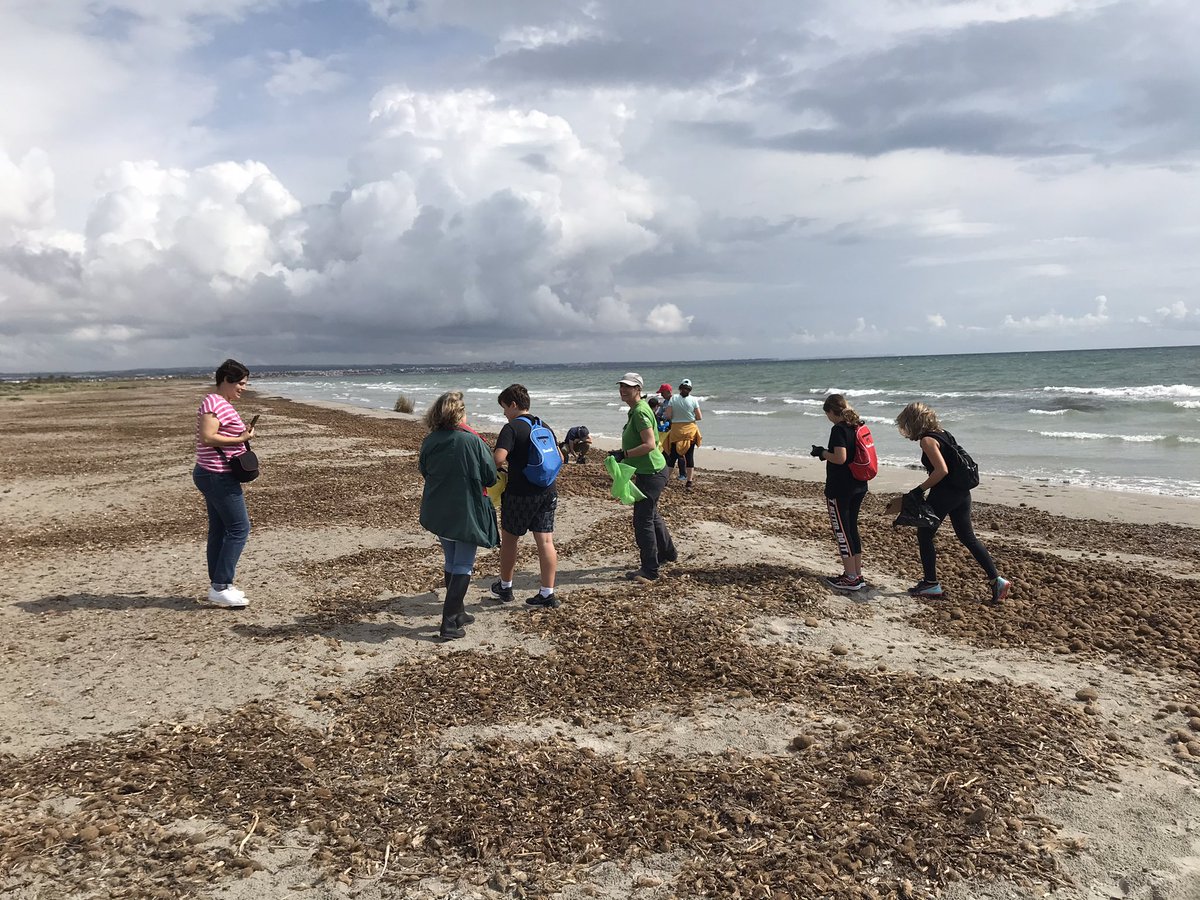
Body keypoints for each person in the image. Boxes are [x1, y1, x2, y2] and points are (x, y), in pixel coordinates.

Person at [895, 402, 1011, 605]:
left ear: (912, 422)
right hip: (962, 493)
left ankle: (931, 584)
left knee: (925, 534)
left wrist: (919, 490)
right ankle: (997, 580)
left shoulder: (927, 440)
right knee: (967, 537)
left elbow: (941, 471)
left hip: (945, 493)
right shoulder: (943, 433)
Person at [418, 391, 500, 640]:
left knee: (452, 561)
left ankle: (459, 612)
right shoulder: (473, 442)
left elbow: (424, 469)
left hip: (439, 508)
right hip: (465, 509)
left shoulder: (430, 440)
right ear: (460, 413)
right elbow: (490, 476)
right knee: (463, 564)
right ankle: (449, 622)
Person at [491, 384, 562, 608]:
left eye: (504, 407)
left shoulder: (511, 428)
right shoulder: (544, 425)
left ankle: (505, 587)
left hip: (520, 493)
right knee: (546, 541)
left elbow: (498, 459)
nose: (504, 413)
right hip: (548, 491)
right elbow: (560, 456)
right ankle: (547, 593)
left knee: (510, 540)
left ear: (513, 404)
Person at [193, 359, 256, 609]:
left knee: (220, 530)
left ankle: (221, 585)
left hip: (215, 474)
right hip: (215, 474)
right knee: (240, 529)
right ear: (226, 380)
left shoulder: (222, 403)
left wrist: (243, 434)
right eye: (240, 383)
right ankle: (220, 586)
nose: (243, 388)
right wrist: (241, 437)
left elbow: (222, 434)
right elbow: (208, 437)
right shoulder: (213, 401)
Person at [610, 373, 677, 582]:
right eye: (621, 386)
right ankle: (667, 553)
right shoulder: (636, 410)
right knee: (652, 514)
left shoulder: (640, 412)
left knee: (642, 520)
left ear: (638, 389)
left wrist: (624, 454)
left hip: (652, 473)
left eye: (628, 387)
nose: (623, 390)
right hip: (652, 471)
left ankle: (650, 569)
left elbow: (649, 443)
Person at [811, 394, 867, 591]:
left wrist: (821, 453)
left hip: (841, 488)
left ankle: (850, 577)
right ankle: (857, 574)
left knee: (842, 531)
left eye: (827, 414)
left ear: (831, 412)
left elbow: (840, 458)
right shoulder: (857, 425)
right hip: (859, 484)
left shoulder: (838, 429)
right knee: (851, 528)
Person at [664, 377, 702, 489]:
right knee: (689, 456)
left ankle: (666, 480)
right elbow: (699, 417)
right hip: (690, 431)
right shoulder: (694, 400)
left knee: (673, 457)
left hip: (676, 431)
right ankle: (689, 482)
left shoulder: (673, 398)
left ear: (680, 388)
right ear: (690, 389)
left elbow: (668, 415)